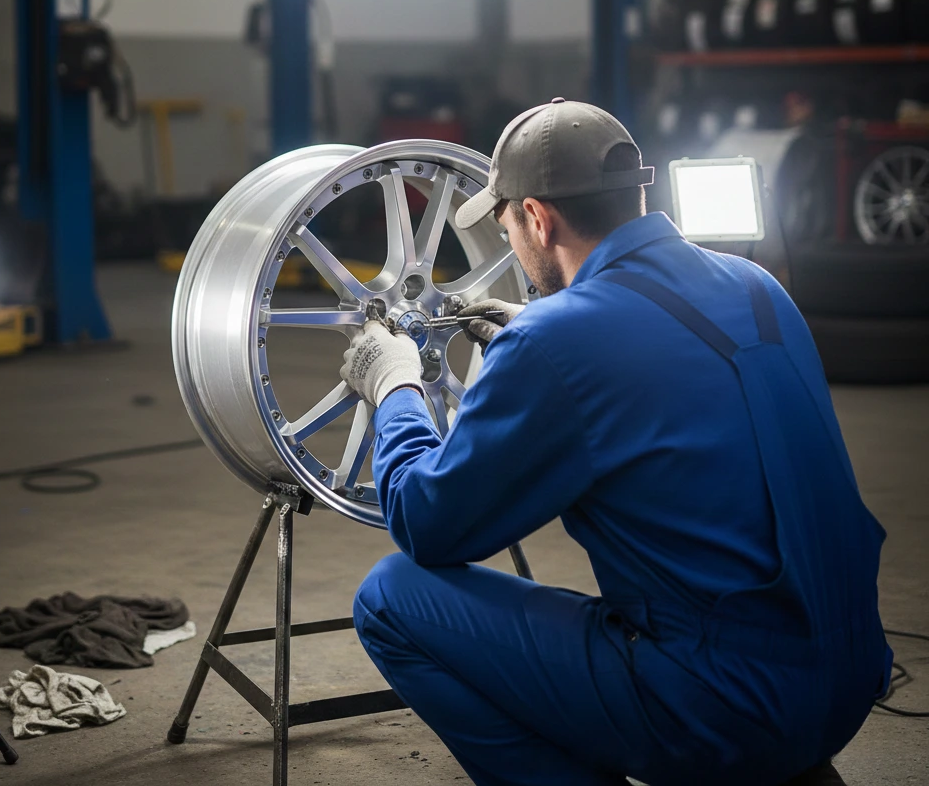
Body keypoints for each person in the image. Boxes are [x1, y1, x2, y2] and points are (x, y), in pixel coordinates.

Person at [339, 98, 891, 786]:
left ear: (537, 217)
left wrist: (395, 388)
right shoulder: (758, 289)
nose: (512, 241)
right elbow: (653, 363)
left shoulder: (557, 342)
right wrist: (537, 333)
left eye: (509, 224)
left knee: (392, 597)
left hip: (727, 702)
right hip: (848, 676)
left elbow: (427, 524)